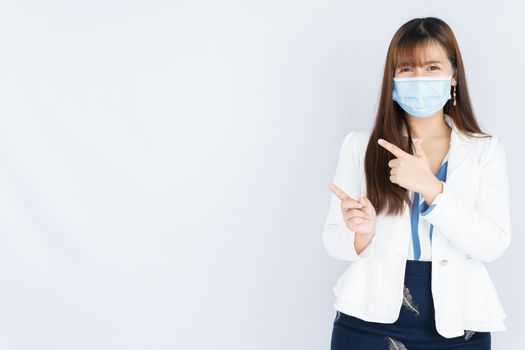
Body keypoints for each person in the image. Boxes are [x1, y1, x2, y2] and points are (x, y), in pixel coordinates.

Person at [322, 17, 511, 350]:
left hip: (460, 322)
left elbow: (492, 245)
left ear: (454, 76)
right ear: (392, 80)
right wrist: (361, 233)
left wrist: (432, 188)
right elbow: (334, 241)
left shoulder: (484, 150)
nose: (419, 78)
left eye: (432, 67)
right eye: (407, 69)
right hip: (368, 319)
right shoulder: (360, 145)